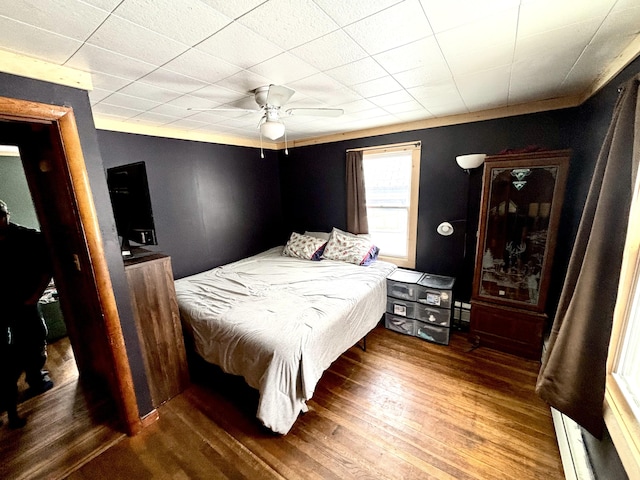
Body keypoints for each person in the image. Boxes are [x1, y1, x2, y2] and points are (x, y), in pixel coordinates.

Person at [0, 199, 54, 427]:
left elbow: (47, 268)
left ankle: (36, 377)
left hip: (25, 303)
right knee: (4, 358)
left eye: (0, 216)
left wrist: (33, 298)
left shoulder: (27, 238)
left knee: (35, 340)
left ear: (6, 214)